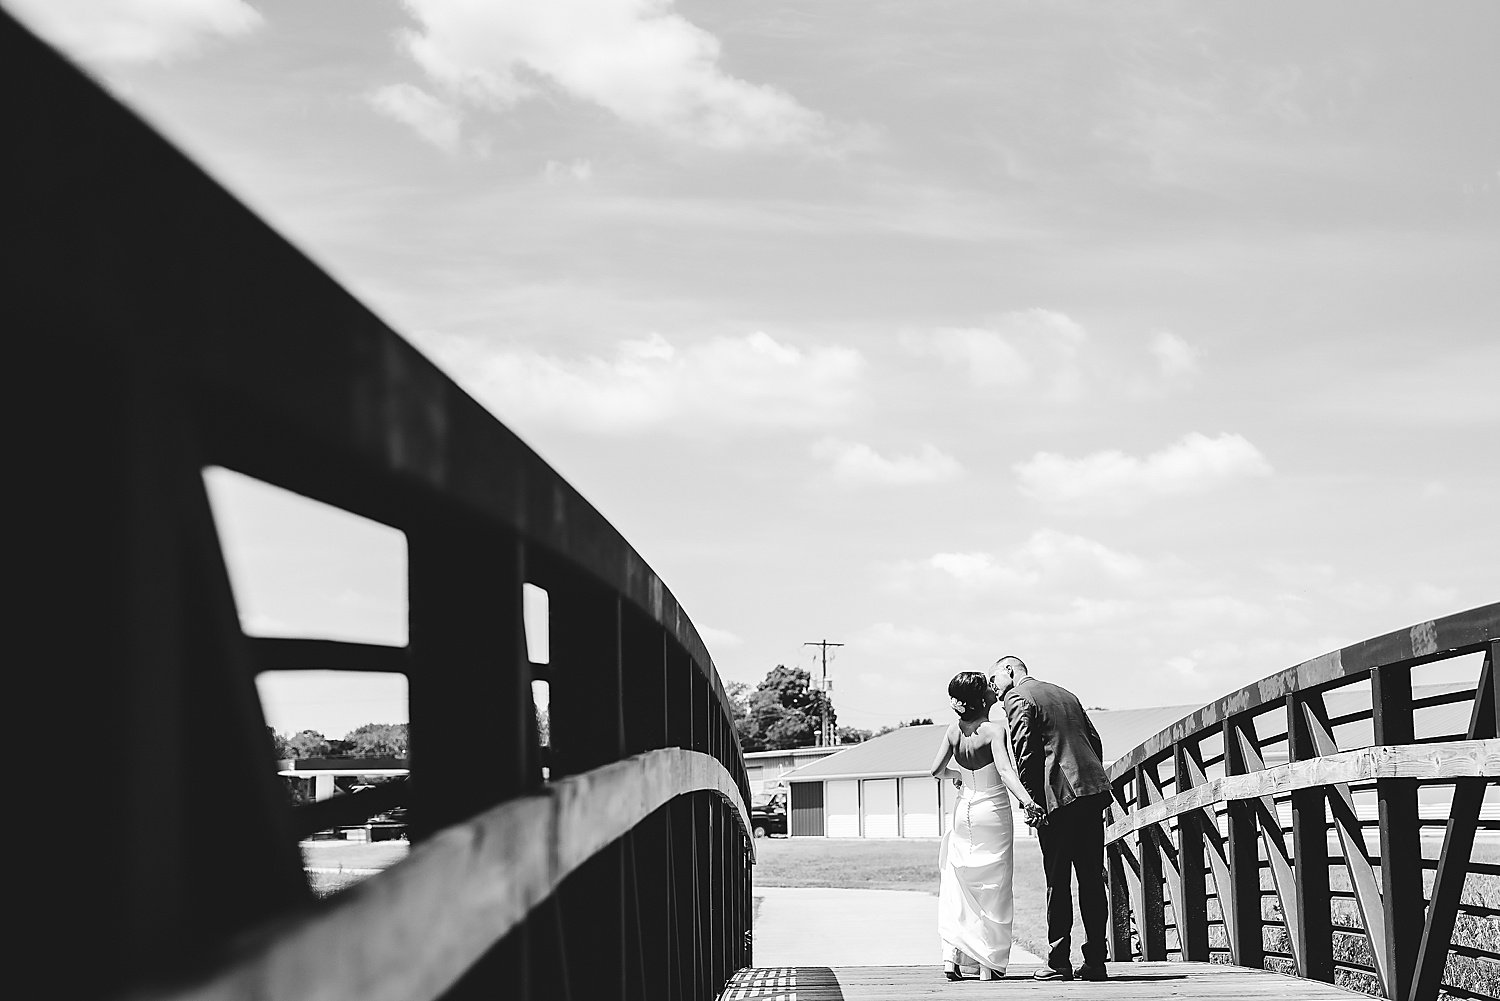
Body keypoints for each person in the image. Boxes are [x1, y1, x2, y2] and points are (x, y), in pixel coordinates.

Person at [992, 655, 1112, 982]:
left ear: (1010, 671)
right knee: (1090, 878)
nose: (994, 689)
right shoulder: (1065, 693)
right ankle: (1096, 962)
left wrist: (1031, 802)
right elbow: (1094, 740)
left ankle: (1058, 961)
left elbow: (1025, 752)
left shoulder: (1018, 697)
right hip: (1090, 790)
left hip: (1059, 798)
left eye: (994, 680)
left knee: (1058, 881)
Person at [930, 670, 1040, 981]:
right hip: (992, 810)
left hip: (964, 808)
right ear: (982, 700)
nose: (994, 691)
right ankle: (988, 963)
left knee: (960, 882)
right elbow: (1005, 772)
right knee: (994, 884)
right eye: (988, 689)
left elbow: (936, 770)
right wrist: (1028, 801)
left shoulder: (954, 732)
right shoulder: (993, 731)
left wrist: (957, 777)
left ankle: (951, 958)